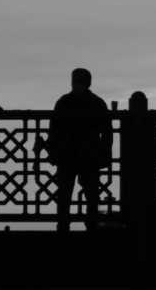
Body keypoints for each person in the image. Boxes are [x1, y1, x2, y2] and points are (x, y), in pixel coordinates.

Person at [46, 68, 113, 233]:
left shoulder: (64, 102)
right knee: (90, 194)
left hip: (68, 155)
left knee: (66, 193)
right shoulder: (97, 103)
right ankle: (90, 226)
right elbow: (107, 133)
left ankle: (64, 226)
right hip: (88, 155)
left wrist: (53, 152)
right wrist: (104, 154)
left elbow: (54, 131)